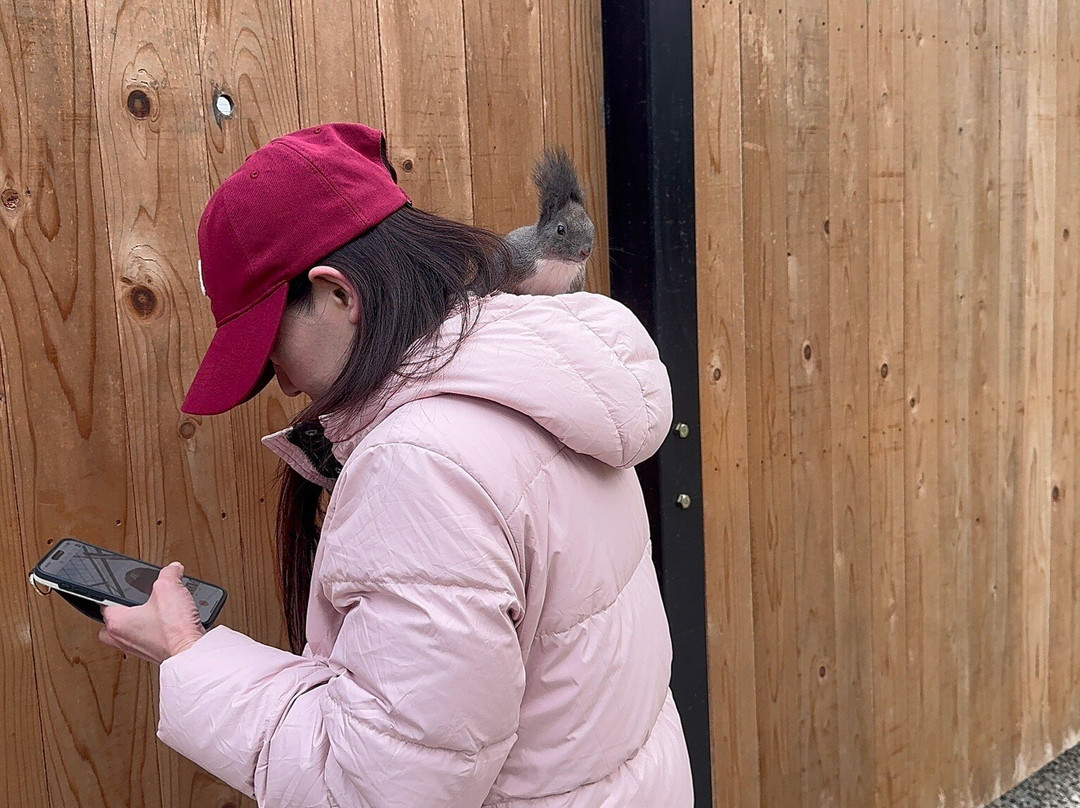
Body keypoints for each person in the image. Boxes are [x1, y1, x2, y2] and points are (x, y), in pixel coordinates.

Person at [97, 123, 693, 807]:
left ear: (339, 294)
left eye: (269, 345)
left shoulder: (422, 465)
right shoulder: (542, 379)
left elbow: (383, 789)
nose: (285, 386)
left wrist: (185, 652)